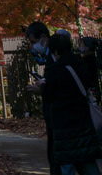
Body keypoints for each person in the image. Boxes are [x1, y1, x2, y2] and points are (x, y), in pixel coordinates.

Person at [42, 30, 101, 175]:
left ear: (55, 51)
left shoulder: (55, 70)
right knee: (87, 160)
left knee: (67, 164)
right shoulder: (80, 62)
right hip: (82, 119)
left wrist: (40, 89)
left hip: (63, 122)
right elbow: (89, 82)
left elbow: (50, 95)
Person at [25, 21, 59, 175]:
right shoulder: (50, 55)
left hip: (58, 110)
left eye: (34, 42)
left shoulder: (56, 57)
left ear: (44, 37)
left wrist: (42, 89)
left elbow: (58, 85)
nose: (33, 46)